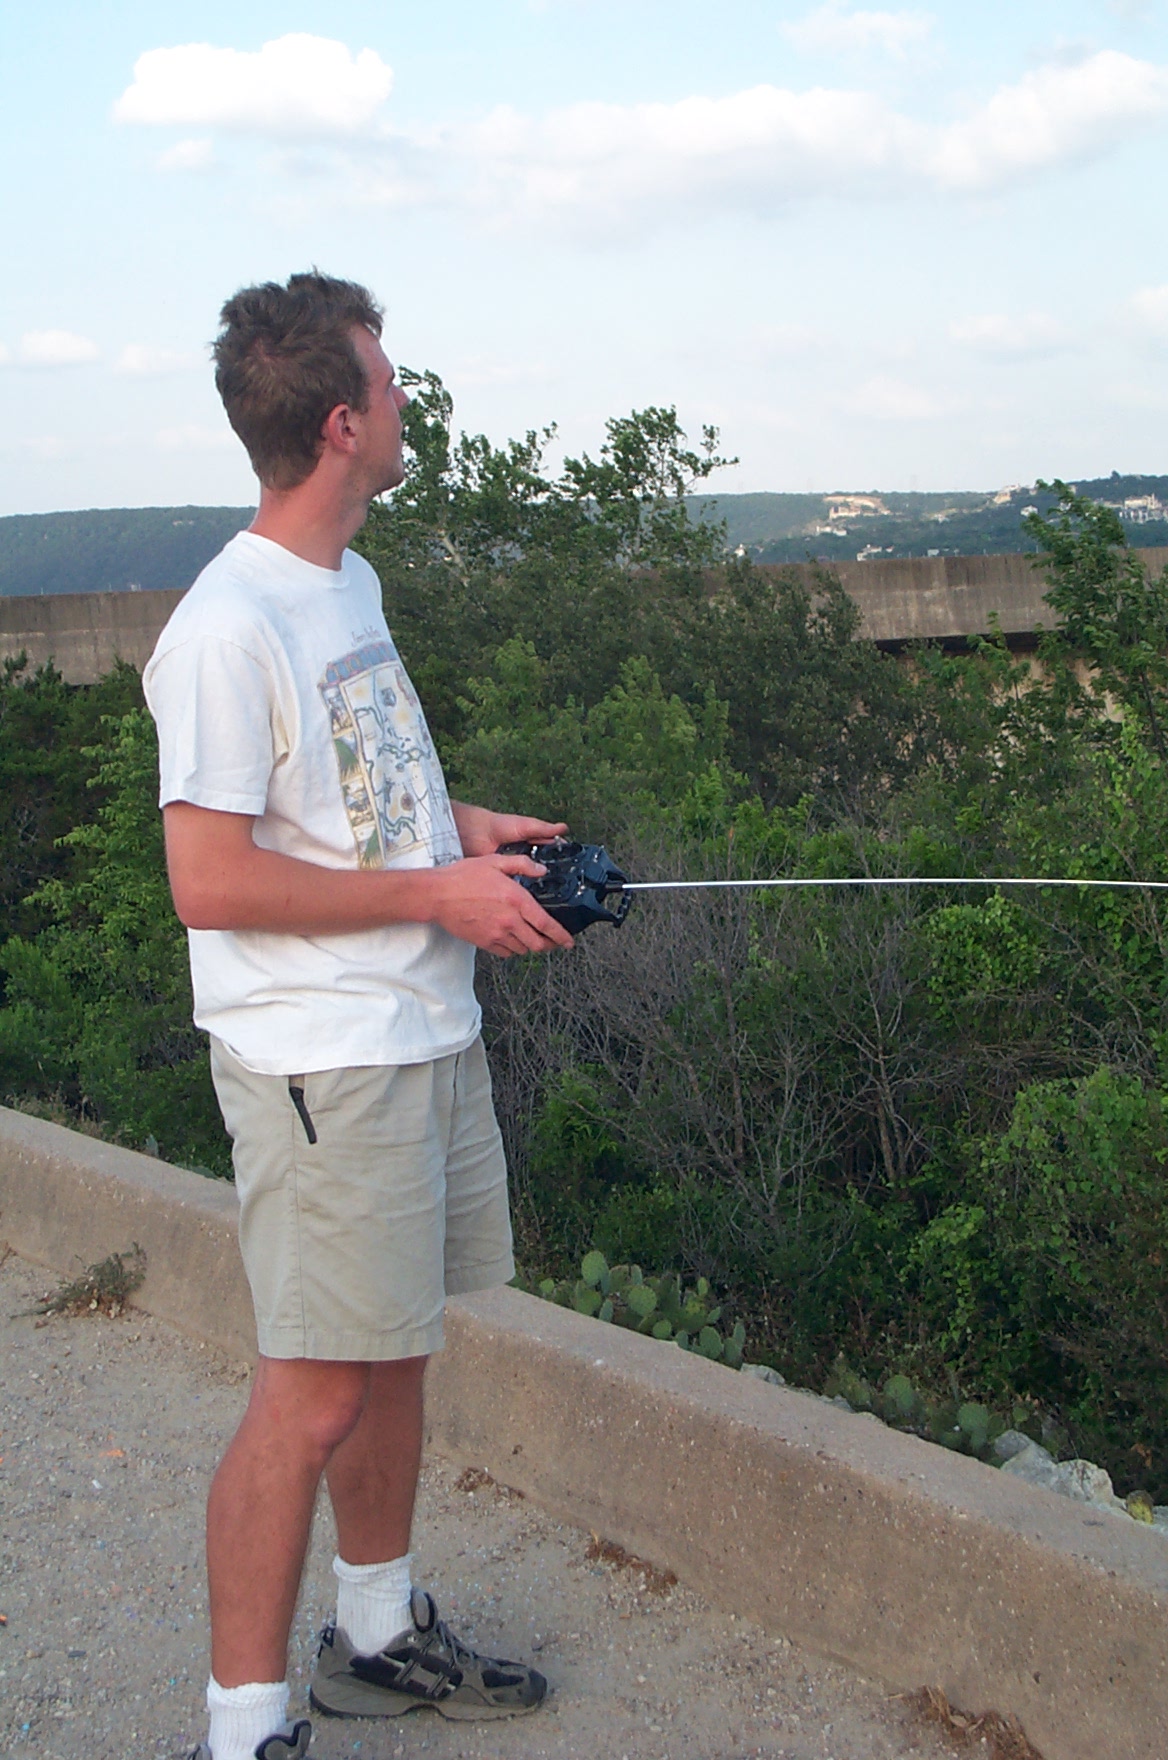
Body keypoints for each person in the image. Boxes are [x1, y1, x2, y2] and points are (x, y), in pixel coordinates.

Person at [143, 271, 573, 1760]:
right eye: (391, 389)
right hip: (327, 1065)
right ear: (342, 424)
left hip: (417, 1035)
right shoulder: (224, 627)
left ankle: (376, 1630)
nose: (406, 407)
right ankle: (242, 1728)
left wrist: (460, 830)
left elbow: (346, 802)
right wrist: (432, 899)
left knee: (392, 1359)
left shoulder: (350, 585)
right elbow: (208, 878)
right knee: (310, 1397)